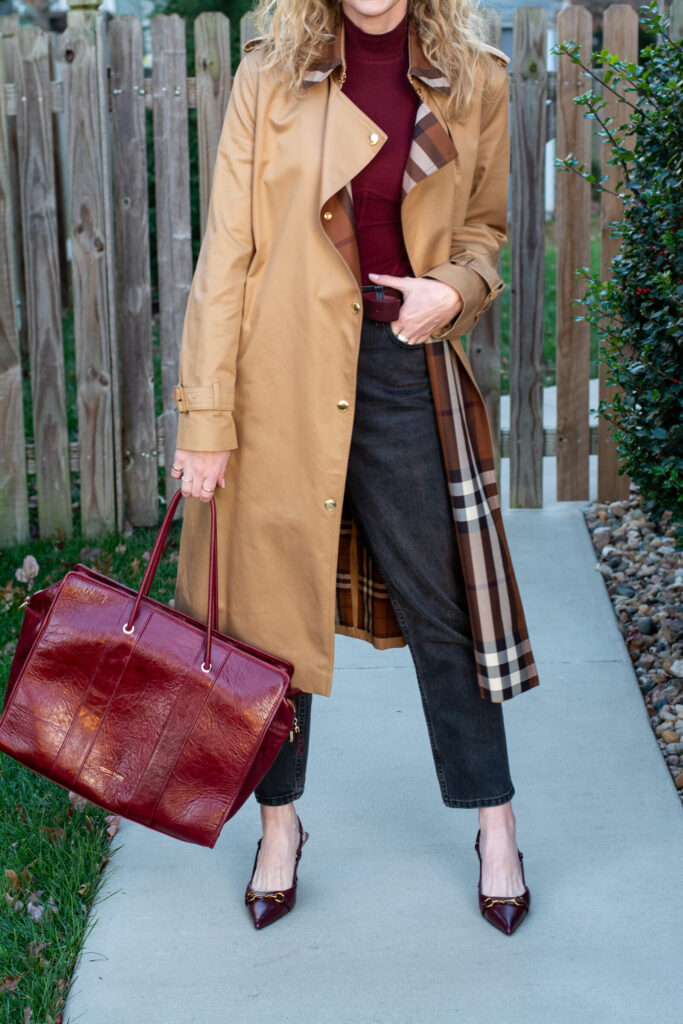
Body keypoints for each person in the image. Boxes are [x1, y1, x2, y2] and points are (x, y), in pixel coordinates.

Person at [170, 0, 540, 936]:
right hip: (276, 377)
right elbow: (227, 255)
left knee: (444, 606)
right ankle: (280, 829)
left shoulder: (476, 75)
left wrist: (450, 292)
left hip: (399, 370)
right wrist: (206, 417)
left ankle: (496, 828)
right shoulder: (271, 72)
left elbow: (485, 232)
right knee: (267, 620)